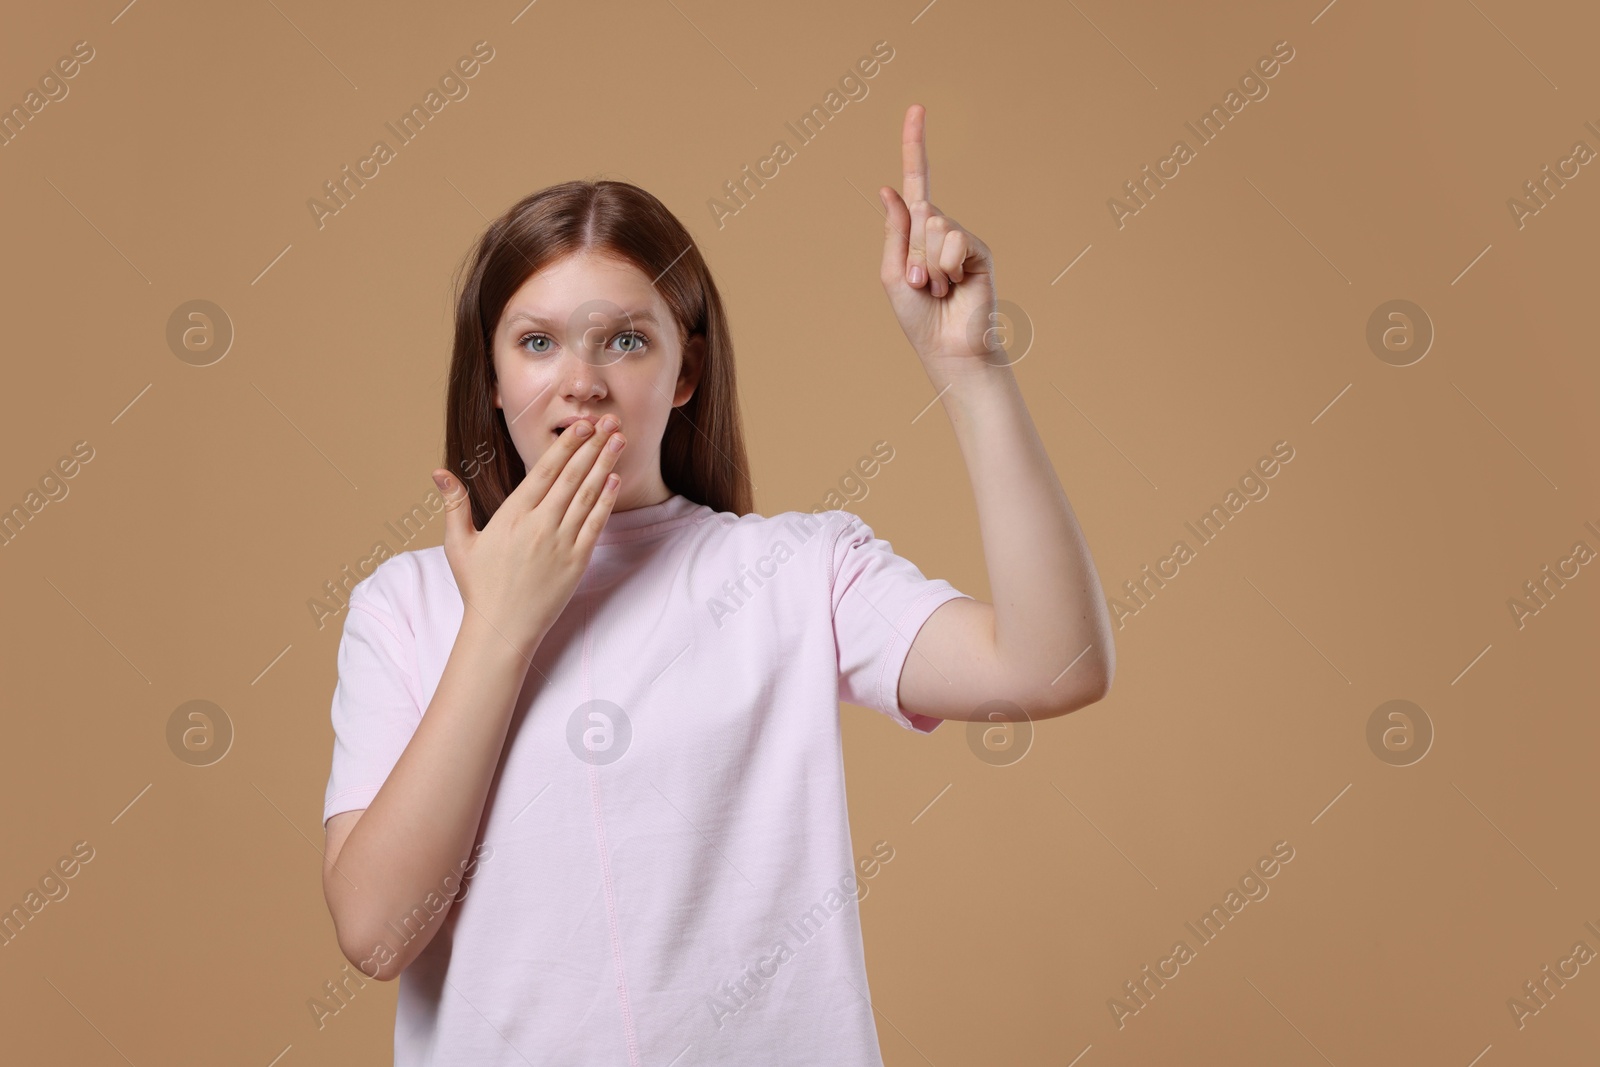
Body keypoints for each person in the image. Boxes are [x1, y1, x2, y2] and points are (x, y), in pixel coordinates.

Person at [320, 103, 1115, 1065]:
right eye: (536, 343)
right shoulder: (404, 605)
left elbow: (1056, 665)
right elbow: (375, 932)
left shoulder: (794, 570)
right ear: (490, 377)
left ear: (684, 371)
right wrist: (499, 627)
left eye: (624, 340)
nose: (580, 381)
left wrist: (971, 370)